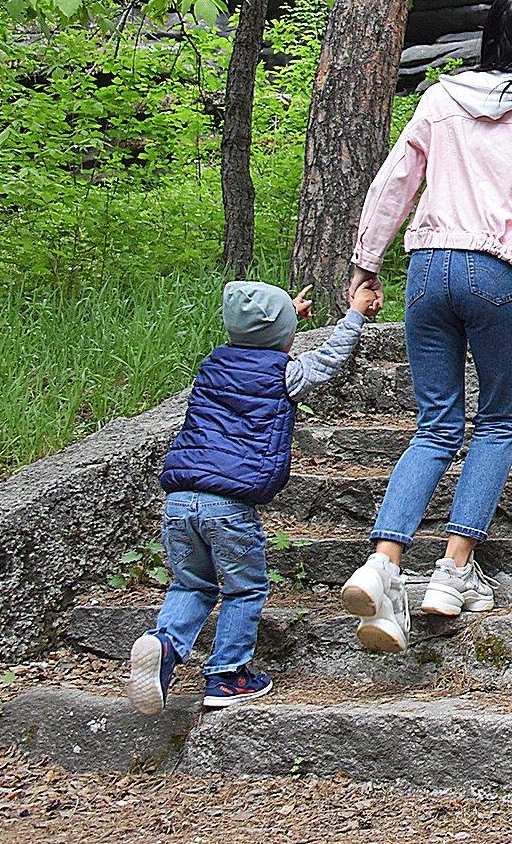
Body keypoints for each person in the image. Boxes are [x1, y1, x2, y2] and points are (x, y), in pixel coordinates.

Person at [337, 0, 512, 655]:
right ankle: (452, 570)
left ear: (487, 34)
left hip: (428, 267)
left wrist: (366, 259)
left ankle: (385, 561)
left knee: (435, 425)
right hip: (500, 273)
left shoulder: (441, 96)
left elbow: (395, 179)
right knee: (498, 421)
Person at [127, 277, 381, 715]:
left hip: (179, 499)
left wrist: (282, 323)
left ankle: (163, 646)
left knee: (191, 582)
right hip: (228, 506)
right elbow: (331, 357)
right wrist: (354, 313)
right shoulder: (285, 372)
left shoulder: (211, 367)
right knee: (244, 588)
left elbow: (256, 340)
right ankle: (228, 675)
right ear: (284, 336)